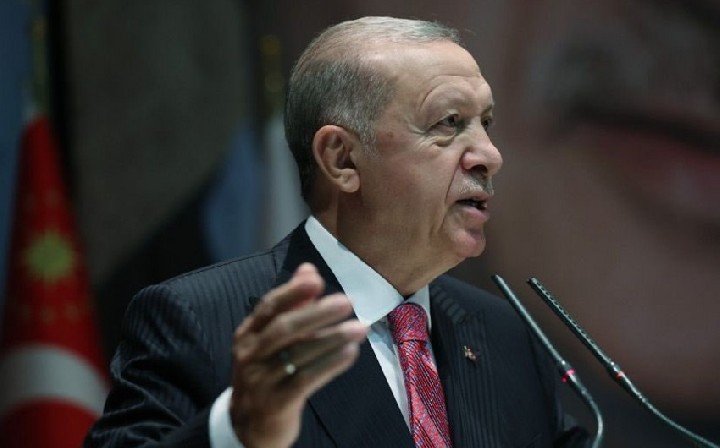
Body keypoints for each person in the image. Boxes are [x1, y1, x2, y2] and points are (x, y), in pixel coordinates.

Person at [85, 16, 588, 447]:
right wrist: (238, 430)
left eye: (486, 123)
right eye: (449, 122)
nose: (489, 156)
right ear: (342, 159)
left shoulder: (503, 334)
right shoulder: (200, 318)